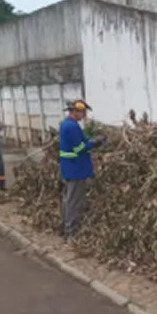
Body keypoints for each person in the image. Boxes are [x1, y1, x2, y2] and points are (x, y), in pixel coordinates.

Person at [58, 99, 105, 239]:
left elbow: (77, 143)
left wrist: (89, 141)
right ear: (75, 111)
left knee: (68, 199)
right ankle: (71, 232)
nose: (84, 115)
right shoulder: (71, 126)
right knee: (74, 201)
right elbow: (78, 148)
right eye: (83, 112)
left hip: (70, 168)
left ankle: (65, 227)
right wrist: (95, 142)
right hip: (75, 168)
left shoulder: (67, 124)